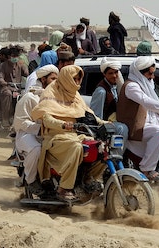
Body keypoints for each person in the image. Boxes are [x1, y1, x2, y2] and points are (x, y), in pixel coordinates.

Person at [31, 65, 106, 201]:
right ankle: (64, 188)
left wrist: (104, 123)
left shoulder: (75, 95)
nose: (77, 83)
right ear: (66, 78)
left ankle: (88, 179)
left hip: (74, 135)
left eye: (78, 79)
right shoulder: (51, 92)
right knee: (76, 147)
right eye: (74, 79)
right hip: (55, 137)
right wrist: (63, 124)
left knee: (102, 148)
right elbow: (46, 118)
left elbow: (89, 114)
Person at [116, 56, 159, 181]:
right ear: (140, 73)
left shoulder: (147, 86)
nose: (152, 77)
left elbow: (152, 108)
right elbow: (147, 102)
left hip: (146, 126)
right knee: (158, 132)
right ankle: (146, 169)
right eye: (150, 73)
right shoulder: (132, 87)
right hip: (135, 129)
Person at [13, 64, 59, 196]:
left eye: (57, 79)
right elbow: (20, 122)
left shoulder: (55, 98)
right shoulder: (30, 97)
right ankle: (31, 180)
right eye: (52, 79)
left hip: (49, 135)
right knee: (36, 148)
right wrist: (40, 129)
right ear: (43, 80)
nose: (55, 82)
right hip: (27, 135)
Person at [90, 57, 128, 142]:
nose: (114, 76)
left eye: (116, 72)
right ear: (104, 74)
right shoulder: (101, 91)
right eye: (110, 73)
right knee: (122, 128)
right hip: (106, 126)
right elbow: (96, 116)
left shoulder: (115, 87)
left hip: (115, 121)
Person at [0, 47, 29, 128]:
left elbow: (27, 73)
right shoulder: (3, 65)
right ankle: (5, 118)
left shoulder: (20, 64)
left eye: (16, 56)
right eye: (13, 56)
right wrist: (3, 82)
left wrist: (25, 69)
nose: (15, 58)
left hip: (18, 88)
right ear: (9, 56)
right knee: (7, 94)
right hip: (7, 87)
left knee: (26, 96)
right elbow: (0, 77)